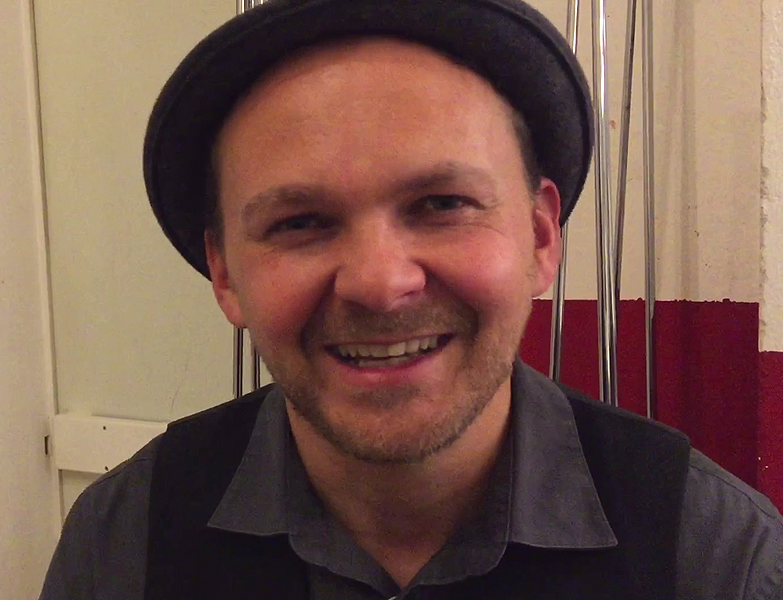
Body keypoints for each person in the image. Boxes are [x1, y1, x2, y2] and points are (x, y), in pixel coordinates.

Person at [40, 0, 783, 598]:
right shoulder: (123, 545)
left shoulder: (715, 557)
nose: (379, 282)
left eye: (442, 203)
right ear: (226, 273)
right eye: (299, 222)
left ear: (540, 238)